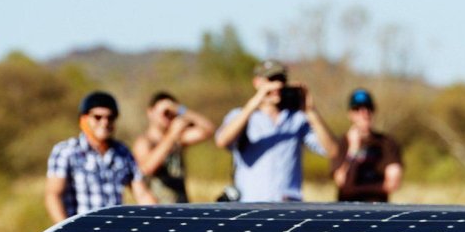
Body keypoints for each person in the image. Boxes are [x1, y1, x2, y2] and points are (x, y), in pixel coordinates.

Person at [214, 60, 338, 202]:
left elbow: (333, 151)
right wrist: (254, 103)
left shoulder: (297, 118)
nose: (277, 85)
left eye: (281, 80)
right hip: (249, 205)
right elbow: (222, 141)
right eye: (271, 80)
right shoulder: (241, 115)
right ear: (257, 82)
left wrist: (311, 111)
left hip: (288, 207)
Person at [45, 91, 156, 223]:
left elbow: (142, 194)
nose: (105, 122)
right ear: (83, 119)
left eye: (110, 117)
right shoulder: (66, 151)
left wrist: (161, 218)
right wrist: (64, 231)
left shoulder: (122, 152)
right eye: (97, 117)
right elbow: (53, 195)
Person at [131, 91, 216, 204]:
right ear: (150, 112)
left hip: (181, 205)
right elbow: (147, 167)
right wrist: (171, 135)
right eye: (165, 113)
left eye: (172, 113)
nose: (169, 117)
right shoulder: (144, 142)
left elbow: (209, 130)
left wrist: (181, 110)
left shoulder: (178, 139)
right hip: (156, 208)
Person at [330, 88, 403, 202]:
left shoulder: (387, 142)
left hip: (378, 209)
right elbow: (341, 181)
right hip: (347, 209)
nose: (364, 113)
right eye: (357, 109)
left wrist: (354, 188)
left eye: (368, 108)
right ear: (350, 114)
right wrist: (353, 150)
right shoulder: (342, 142)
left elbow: (392, 184)